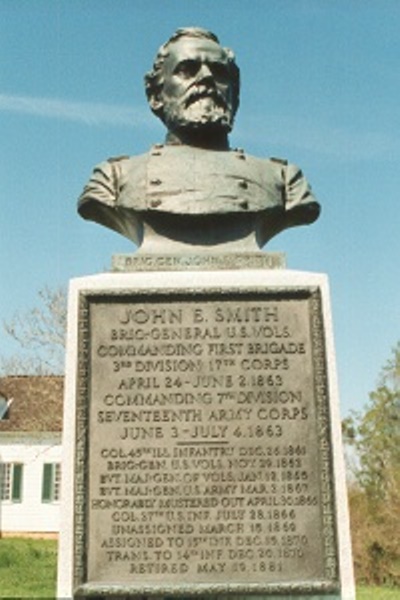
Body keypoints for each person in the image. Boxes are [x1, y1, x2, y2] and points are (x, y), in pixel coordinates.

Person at [78, 28, 320, 247]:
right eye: (187, 70)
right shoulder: (114, 178)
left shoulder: (283, 179)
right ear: (155, 95)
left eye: (219, 72)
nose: (206, 78)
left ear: (234, 96)